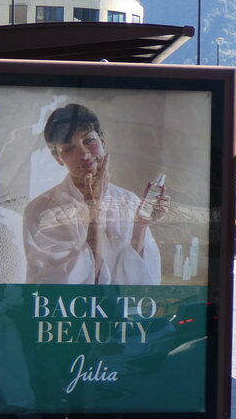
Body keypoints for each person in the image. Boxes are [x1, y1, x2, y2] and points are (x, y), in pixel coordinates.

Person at [23, 103, 169, 285]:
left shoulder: (129, 201)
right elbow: (66, 288)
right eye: (69, 148)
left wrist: (141, 226)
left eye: (89, 140)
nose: (84, 153)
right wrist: (94, 212)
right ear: (57, 158)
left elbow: (141, 284)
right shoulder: (41, 210)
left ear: (102, 140)